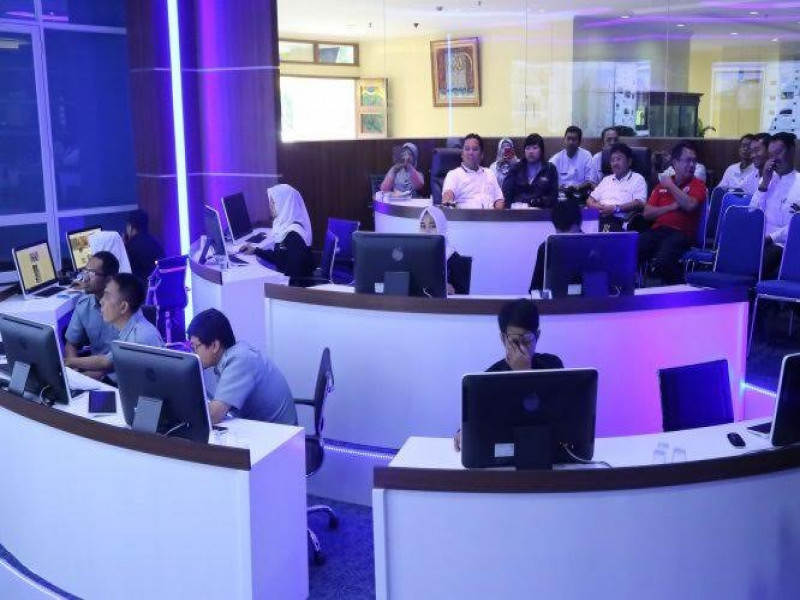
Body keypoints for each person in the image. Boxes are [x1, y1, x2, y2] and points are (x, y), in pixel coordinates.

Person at [454, 298, 563, 450]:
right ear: (503, 339)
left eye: (527, 340)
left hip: (546, 450)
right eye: (515, 342)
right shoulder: (489, 378)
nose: (521, 348)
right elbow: (476, 421)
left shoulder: (553, 366)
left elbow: (559, 417)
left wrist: (525, 374)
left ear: (537, 336)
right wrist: (463, 433)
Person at [187, 308, 298, 426]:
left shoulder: (239, 360)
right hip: (261, 428)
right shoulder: (233, 356)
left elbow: (213, 416)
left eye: (195, 347)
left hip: (280, 434)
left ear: (215, 345)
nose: (193, 353)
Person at [65, 273, 164, 380]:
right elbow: (106, 361)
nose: (101, 301)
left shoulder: (138, 339)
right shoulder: (129, 328)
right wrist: (69, 363)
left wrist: (70, 366)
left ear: (123, 307)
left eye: (107, 296)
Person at [638, 140, 707, 285]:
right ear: (675, 163)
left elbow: (690, 205)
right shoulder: (660, 186)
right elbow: (647, 213)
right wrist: (670, 207)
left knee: (662, 262)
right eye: (688, 160)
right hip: (658, 231)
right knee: (632, 249)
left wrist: (670, 186)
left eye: (694, 161)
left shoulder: (698, 184)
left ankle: (671, 292)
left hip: (682, 234)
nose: (692, 165)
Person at [749, 131, 800, 279]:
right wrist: (764, 182)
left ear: (791, 151)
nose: (774, 160)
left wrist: (771, 238)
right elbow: (752, 212)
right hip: (760, 240)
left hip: (784, 244)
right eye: (771, 155)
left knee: (764, 259)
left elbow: (796, 225)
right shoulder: (767, 179)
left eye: (778, 153)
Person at [64, 251, 120, 379]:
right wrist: (75, 371)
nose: (85, 278)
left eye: (92, 273)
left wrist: (87, 376)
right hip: (93, 370)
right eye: (85, 271)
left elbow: (120, 359)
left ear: (109, 279)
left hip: (121, 375)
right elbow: (71, 343)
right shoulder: (84, 304)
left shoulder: (124, 308)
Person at [241, 184, 314, 282]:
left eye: (273, 202)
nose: (270, 206)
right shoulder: (286, 226)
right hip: (286, 280)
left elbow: (294, 276)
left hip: (294, 288)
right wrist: (256, 251)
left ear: (284, 204)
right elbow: (280, 257)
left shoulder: (293, 235)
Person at [586, 142, 648, 232]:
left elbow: (639, 203)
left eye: (619, 159)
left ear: (629, 162)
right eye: (612, 160)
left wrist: (615, 208)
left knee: (602, 232)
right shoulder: (606, 179)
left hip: (619, 220)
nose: (615, 163)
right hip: (598, 216)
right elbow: (590, 200)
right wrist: (598, 207)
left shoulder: (637, 179)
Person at [529, 199, 582, 292]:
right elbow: (535, 288)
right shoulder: (546, 248)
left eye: (569, 231)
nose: (565, 237)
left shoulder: (593, 248)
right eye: (561, 232)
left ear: (579, 225)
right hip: (555, 299)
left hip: (589, 300)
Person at [441, 133, 505, 209]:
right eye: (467, 149)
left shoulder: (489, 173)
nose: (470, 153)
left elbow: (499, 199)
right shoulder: (454, 174)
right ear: (462, 154)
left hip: (489, 215)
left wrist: (496, 214)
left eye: (475, 149)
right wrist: (448, 201)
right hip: (465, 215)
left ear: (481, 155)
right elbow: (447, 195)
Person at [419, 206, 471, 295]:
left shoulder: (453, 259)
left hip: (444, 303)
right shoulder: (416, 256)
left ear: (441, 227)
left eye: (432, 226)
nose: (427, 231)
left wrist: (452, 290)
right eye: (423, 226)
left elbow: (463, 296)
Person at [501, 134, 559, 208]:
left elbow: (553, 196)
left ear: (541, 150)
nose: (531, 152)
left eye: (535, 148)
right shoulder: (516, 168)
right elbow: (506, 193)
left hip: (542, 211)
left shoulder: (550, 169)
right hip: (518, 210)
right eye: (528, 148)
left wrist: (538, 202)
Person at [549, 126, 595, 202]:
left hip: (580, 196)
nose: (570, 142)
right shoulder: (556, 159)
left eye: (574, 139)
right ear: (564, 140)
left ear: (579, 142)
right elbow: (549, 180)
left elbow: (590, 181)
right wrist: (560, 188)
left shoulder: (587, 156)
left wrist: (578, 187)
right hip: (561, 197)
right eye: (568, 139)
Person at [125, 209, 165, 288]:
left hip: (140, 291)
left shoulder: (130, 246)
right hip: (159, 288)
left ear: (130, 227)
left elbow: (125, 274)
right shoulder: (156, 243)